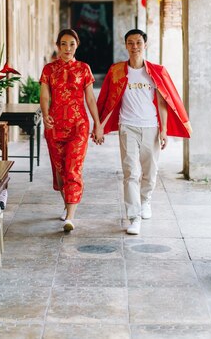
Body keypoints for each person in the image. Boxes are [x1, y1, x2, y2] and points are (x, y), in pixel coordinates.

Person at [94, 29, 191, 235]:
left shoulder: (156, 71)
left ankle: (146, 200)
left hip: (151, 127)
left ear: (145, 45)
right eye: (130, 43)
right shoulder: (117, 71)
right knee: (131, 172)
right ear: (126, 45)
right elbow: (106, 99)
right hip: (127, 126)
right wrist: (99, 125)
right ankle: (134, 216)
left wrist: (164, 130)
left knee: (150, 171)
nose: (135, 46)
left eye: (138, 42)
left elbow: (164, 102)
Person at [40, 28, 104, 232]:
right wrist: (44, 114)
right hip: (54, 125)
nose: (68, 48)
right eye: (64, 44)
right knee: (60, 173)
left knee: (72, 169)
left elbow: (90, 98)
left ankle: (70, 216)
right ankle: (67, 203)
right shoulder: (49, 70)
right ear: (58, 45)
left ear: (77, 46)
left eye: (72, 44)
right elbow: (44, 96)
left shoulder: (84, 69)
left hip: (78, 125)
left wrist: (98, 124)